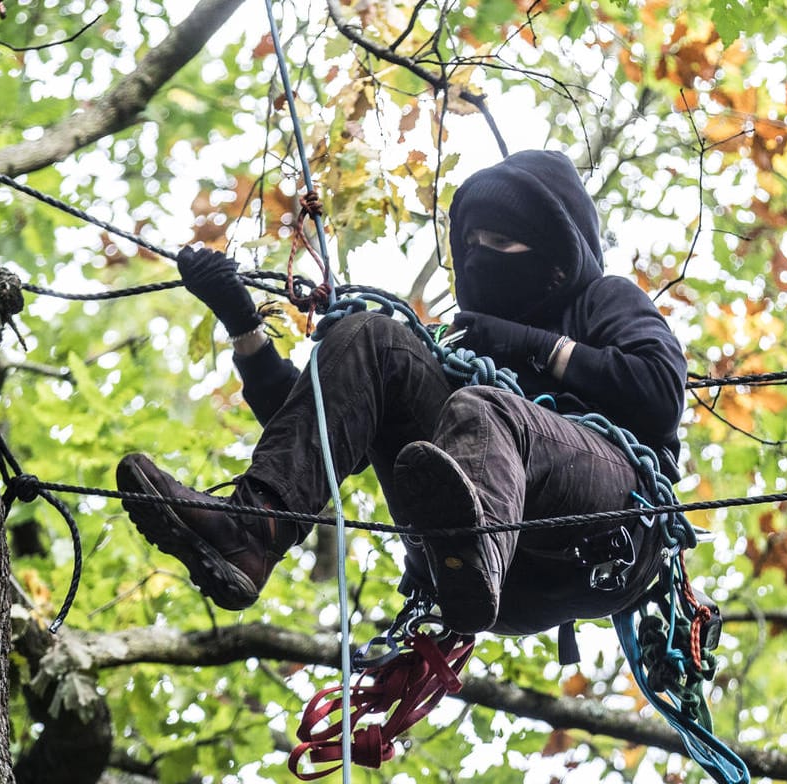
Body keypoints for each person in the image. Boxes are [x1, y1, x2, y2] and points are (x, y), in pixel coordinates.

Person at [116, 150, 687, 637]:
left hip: (606, 530)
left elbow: (659, 395)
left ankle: (474, 539)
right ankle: (252, 531)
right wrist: (244, 327)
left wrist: (533, 344)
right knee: (371, 336)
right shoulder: (460, 345)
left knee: (480, 410)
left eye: (501, 239)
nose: (481, 251)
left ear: (556, 263)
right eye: (472, 240)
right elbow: (318, 422)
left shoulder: (601, 301)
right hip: (474, 578)